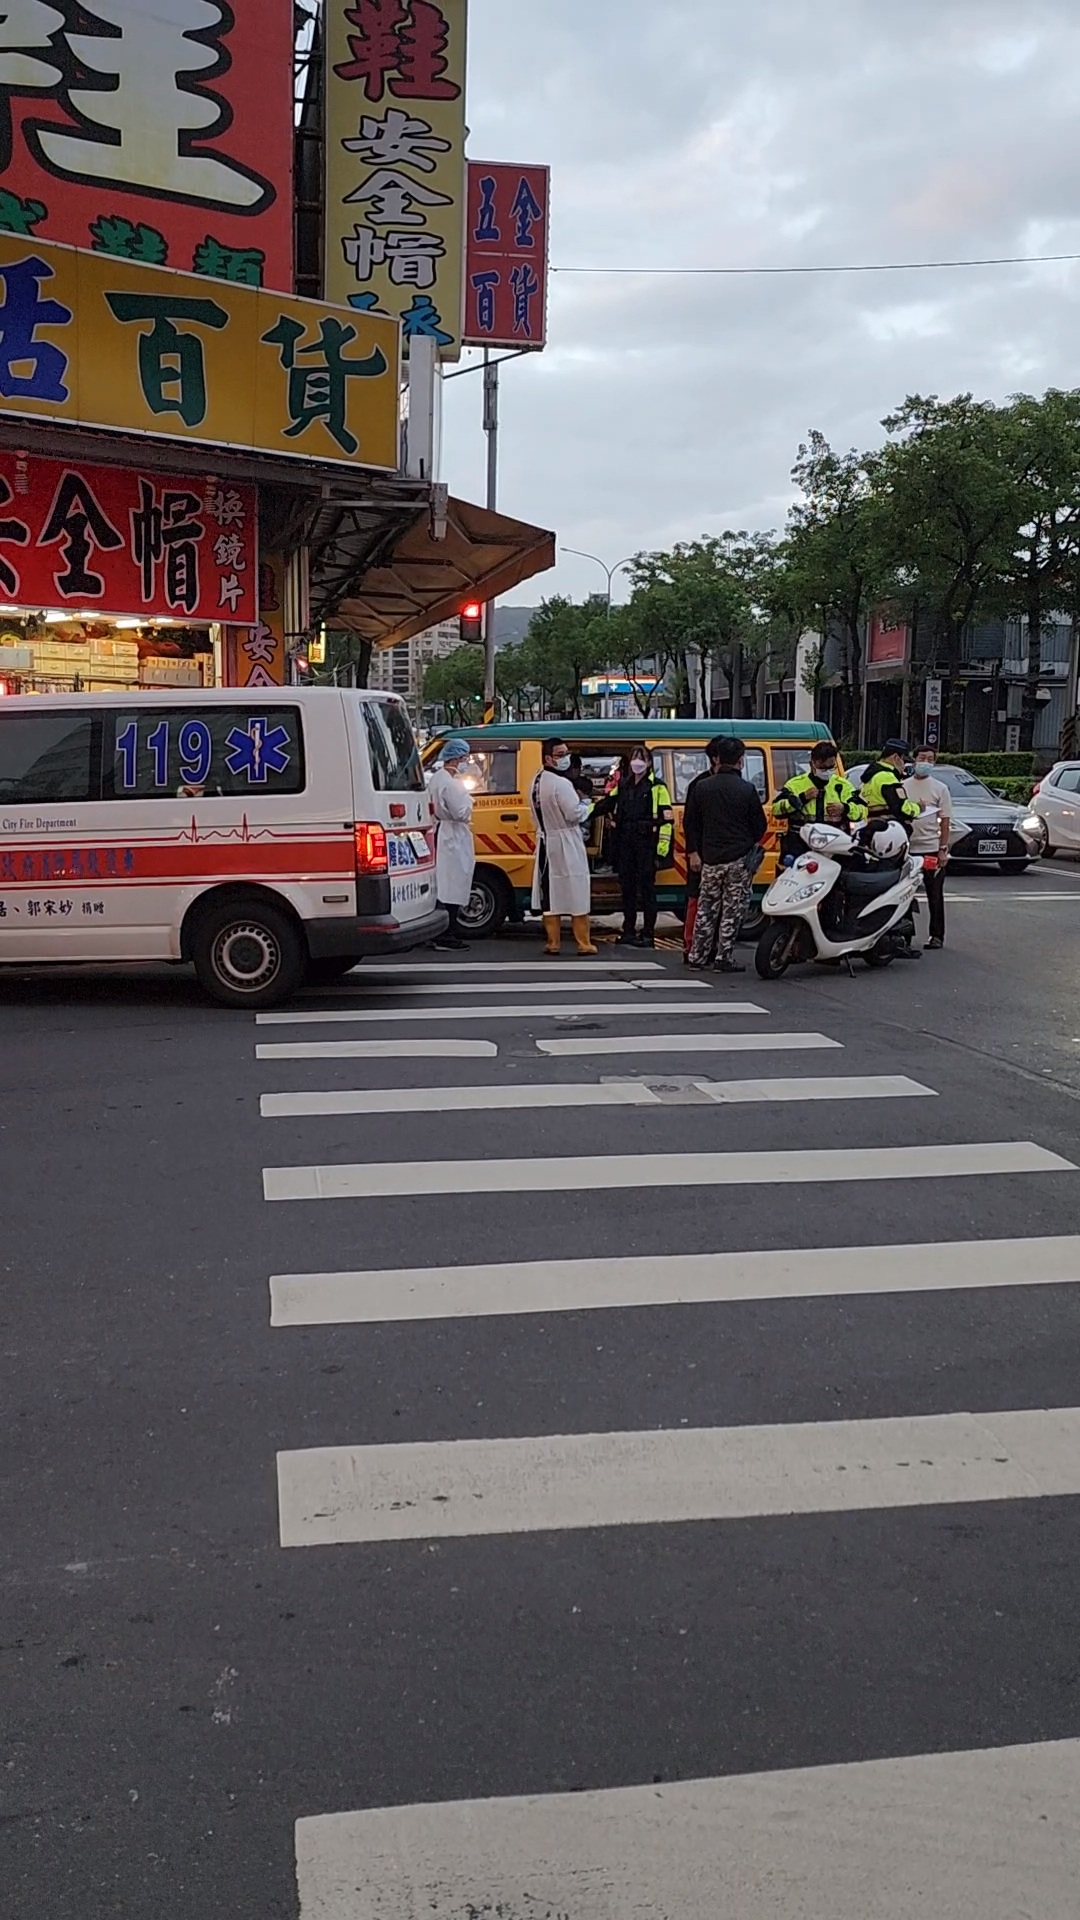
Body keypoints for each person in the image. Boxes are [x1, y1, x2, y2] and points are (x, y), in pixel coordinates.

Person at [684, 736, 767, 973]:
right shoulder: (747, 789)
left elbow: (691, 823)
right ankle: (723, 957)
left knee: (706, 908)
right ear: (741, 760)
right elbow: (759, 826)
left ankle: (697, 956)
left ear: (718, 758)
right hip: (738, 859)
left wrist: (695, 852)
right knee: (732, 909)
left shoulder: (702, 787)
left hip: (709, 857)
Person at [594, 743, 674, 947]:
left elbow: (666, 821)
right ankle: (628, 931)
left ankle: (648, 934)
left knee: (647, 891)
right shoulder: (624, 785)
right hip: (626, 845)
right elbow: (606, 804)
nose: (637, 762)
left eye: (641, 758)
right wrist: (581, 813)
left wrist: (661, 852)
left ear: (648, 763)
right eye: (634, 758)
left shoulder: (657, 787)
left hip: (647, 845)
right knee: (627, 890)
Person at [529, 736, 597, 955]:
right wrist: (588, 805)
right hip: (566, 840)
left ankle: (553, 941)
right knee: (576, 889)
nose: (565, 758)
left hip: (546, 841)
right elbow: (573, 814)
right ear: (548, 758)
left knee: (550, 892)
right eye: (560, 755)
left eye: (567, 754)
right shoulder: (562, 784)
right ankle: (583, 942)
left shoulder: (536, 781)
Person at [771, 743, 867, 859]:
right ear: (812, 764)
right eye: (823, 767)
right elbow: (776, 809)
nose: (827, 771)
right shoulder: (795, 785)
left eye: (831, 767)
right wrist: (802, 798)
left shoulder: (843, 786)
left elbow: (863, 810)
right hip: (801, 848)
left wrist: (845, 808)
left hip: (834, 849)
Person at [427, 738, 475, 952]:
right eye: (465, 757)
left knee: (443, 883)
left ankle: (440, 932)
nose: (467, 762)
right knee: (453, 883)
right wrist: (470, 803)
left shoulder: (436, 779)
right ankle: (448, 933)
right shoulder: (453, 784)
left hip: (440, 832)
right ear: (457, 758)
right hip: (452, 835)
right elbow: (461, 813)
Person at [902, 744, 952, 949]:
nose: (926, 762)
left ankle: (937, 935)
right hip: (907, 849)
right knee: (904, 893)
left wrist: (943, 849)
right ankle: (904, 935)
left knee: (934, 894)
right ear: (914, 760)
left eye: (930, 759)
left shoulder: (940, 788)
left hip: (930, 848)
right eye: (922, 758)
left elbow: (946, 821)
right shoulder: (902, 786)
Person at [857, 739, 922, 830]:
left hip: (870, 826)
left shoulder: (871, 776)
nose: (904, 765)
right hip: (888, 829)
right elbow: (902, 808)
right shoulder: (887, 777)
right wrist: (918, 808)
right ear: (895, 757)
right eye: (904, 761)